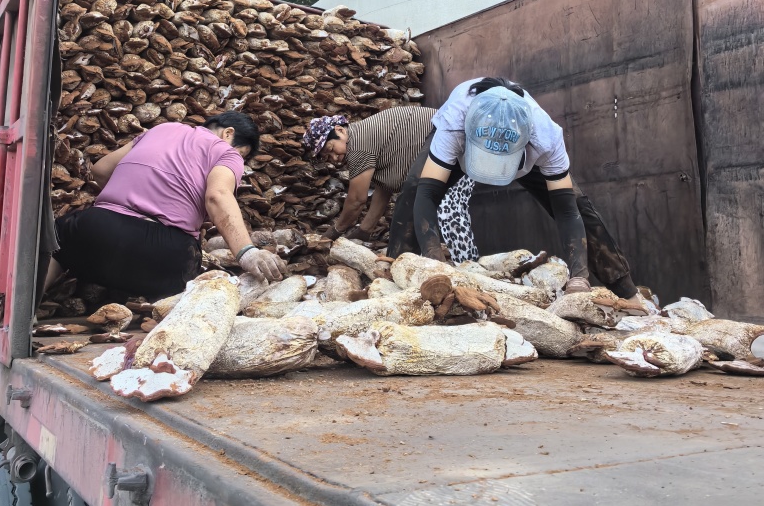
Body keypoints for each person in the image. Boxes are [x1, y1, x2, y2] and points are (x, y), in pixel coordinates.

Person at [387, 77, 639, 299]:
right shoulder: (455, 123)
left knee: (580, 207)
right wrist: (436, 266)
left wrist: (579, 278)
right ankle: (395, 272)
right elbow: (427, 194)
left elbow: (567, 211)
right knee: (413, 190)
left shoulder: (546, 137)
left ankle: (626, 291)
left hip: (526, 152)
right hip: (464, 139)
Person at [52, 111, 286, 299]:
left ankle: (22, 316)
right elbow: (218, 196)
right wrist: (246, 252)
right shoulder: (226, 152)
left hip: (96, 230)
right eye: (241, 153)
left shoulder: (160, 129)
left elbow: (100, 170)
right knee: (186, 275)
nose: (239, 159)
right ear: (228, 133)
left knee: (55, 242)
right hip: (163, 255)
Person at [302, 104, 437, 241]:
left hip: (444, 137)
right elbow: (385, 186)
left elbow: (357, 200)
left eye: (331, 148)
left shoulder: (357, 146)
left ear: (340, 130)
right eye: (327, 156)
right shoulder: (362, 134)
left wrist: (335, 232)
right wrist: (365, 229)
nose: (334, 157)